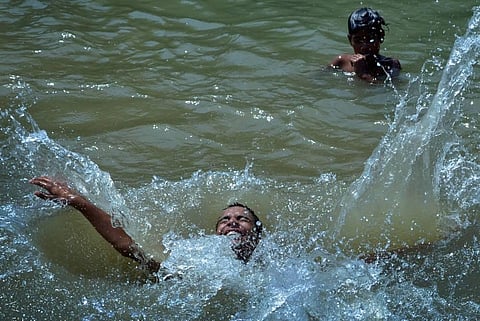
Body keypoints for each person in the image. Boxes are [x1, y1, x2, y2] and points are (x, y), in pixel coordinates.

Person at [29, 176, 263, 275]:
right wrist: (78, 202)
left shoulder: (275, 270)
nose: (232, 221)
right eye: (225, 220)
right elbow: (130, 249)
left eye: (242, 219)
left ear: (257, 234)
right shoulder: (198, 263)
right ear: (215, 233)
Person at [330, 7, 401, 82]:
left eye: (370, 39)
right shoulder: (341, 62)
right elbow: (321, 79)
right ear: (350, 40)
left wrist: (364, 74)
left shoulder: (390, 65)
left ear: (381, 37)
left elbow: (386, 91)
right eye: (358, 40)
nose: (364, 46)